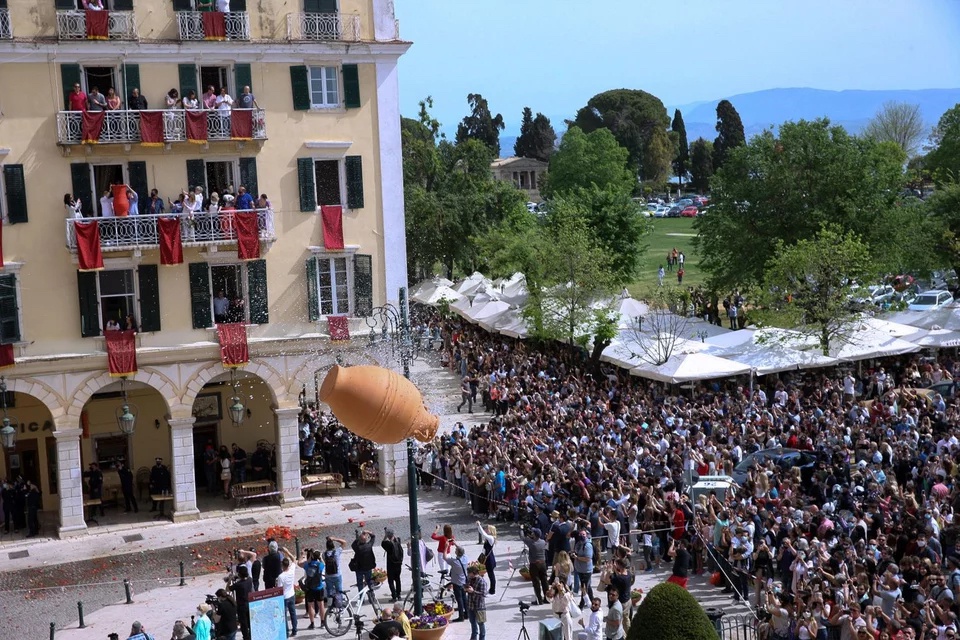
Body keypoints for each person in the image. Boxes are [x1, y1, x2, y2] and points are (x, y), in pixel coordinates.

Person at [523, 526, 550, 605]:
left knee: (536, 582)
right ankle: (547, 598)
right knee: (544, 581)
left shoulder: (531, 542)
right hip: (543, 563)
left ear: (534, 535)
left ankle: (539, 600)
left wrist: (521, 529)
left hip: (534, 564)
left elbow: (522, 537)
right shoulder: (543, 541)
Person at [299, 549, 325, 630]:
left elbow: (299, 563)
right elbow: (324, 563)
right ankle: (322, 623)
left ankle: (312, 623)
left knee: (310, 606)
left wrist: (304, 555)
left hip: (310, 588)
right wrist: (320, 557)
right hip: (319, 587)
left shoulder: (307, 565)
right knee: (321, 605)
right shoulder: (320, 565)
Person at [276, 548, 299, 637]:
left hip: (284, 597)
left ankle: (286, 631)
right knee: (293, 613)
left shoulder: (281, 576)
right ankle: (295, 629)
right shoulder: (292, 570)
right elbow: (294, 559)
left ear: (282, 566)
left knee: (284, 616)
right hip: (291, 594)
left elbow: (279, 588)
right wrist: (287, 551)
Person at [227, 564, 253, 640]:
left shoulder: (238, 584)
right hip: (249, 603)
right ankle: (251, 635)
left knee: (243, 623)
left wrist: (229, 580)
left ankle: (246, 637)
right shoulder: (249, 580)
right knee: (249, 621)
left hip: (241, 606)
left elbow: (228, 590)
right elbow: (245, 578)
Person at [444, 544, 468, 622]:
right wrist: (455, 544)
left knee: (459, 599)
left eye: (456, 550)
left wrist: (446, 546)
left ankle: (461, 617)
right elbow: (462, 551)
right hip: (464, 582)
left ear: (457, 553)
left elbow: (444, 557)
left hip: (456, 583)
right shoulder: (465, 558)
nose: (455, 551)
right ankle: (467, 614)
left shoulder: (454, 562)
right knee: (464, 598)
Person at [381, 527, 405, 602]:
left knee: (391, 581)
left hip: (391, 565)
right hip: (398, 564)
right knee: (397, 579)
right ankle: (399, 595)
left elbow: (382, 543)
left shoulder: (388, 544)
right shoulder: (398, 541)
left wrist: (385, 535)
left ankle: (394, 596)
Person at [352, 529, 378, 597]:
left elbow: (353, 544)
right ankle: (372, 595)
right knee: (369, 582)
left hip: (359, 568)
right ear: (366, 540)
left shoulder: (357, 548)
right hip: (368, 568)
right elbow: (373, 537)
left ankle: (361, 597)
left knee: (360, 583)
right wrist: (368, 532)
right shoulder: (369, 546)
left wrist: (358, 538)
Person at [465, 564, 487, 640]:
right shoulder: (470, 579)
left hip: (479, 607)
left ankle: (482, 638)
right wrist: (466, 588)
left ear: (473, 573)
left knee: (481, 624)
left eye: (469, 573)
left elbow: (483, 594)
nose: (468, 575)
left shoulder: (482, 581)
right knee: (473, 624)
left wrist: (473, 591)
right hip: (470, 605)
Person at [323, 536, 347, 600]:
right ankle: (340, 604)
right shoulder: (337, 552)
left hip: (328, 575)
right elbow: (344, 542)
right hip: (337, 574)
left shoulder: (324, 554)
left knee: (329, 592)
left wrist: (328, 541)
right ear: (333, 546)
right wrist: (335, 539)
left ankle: (330, 605)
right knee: (339, 591)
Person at [476, 521, 498, 594]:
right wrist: (478, 526)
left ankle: (492, 591)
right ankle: (491, 589)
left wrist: (479, 525)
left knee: (491, 576)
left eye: (487, 529)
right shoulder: (489, 538)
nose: (485, 529)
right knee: (490, 575)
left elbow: (483, 534)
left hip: (490, 560)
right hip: (488, 558)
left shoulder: (491, 538)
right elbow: (481, 532)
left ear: (490, 531)